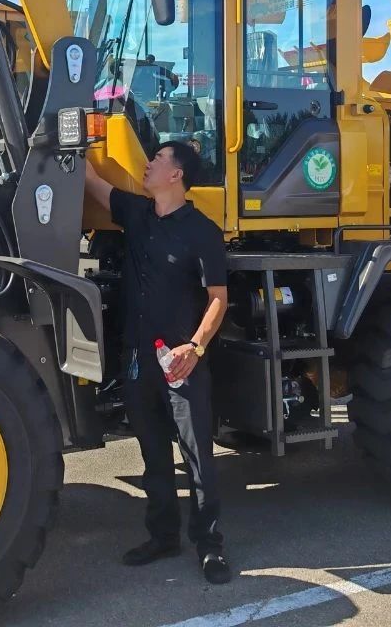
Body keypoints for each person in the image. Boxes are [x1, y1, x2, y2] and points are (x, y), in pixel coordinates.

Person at [85, 140, 232, 585]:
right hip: (138, 359)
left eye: (158, 159)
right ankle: (164, 536)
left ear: (177, 175)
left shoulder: (203, 231)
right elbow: (92, 181)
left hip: (180, 362)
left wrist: (196, 348)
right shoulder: (136, 214)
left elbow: (218, 298)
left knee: (197, 456)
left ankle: (209, 545)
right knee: (153, 454)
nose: (147, 164)